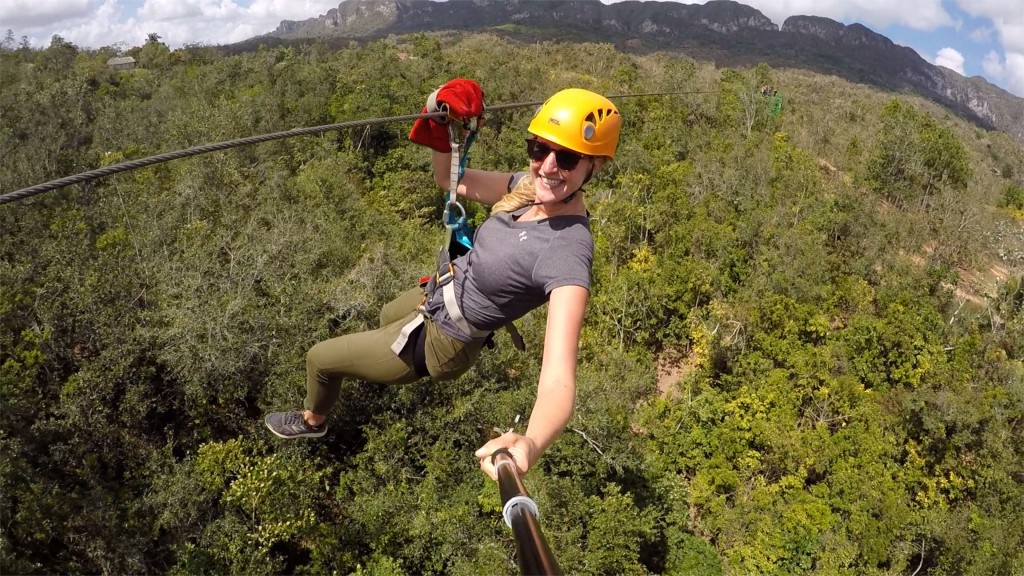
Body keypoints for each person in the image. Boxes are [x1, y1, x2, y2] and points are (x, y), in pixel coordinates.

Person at [264, 79, 622, 481]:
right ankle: (380, 356)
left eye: (569, 158)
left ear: (596, 166)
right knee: (386, 314)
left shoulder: (567, 250)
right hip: (439, 291)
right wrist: (437, 113)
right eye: (540, 149)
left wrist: (531, 443)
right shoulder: (528, 187)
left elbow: (558, 377)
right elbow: (449, 179)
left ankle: (314, 420)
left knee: (321, 359)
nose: (549, 166)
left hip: (444, 340)